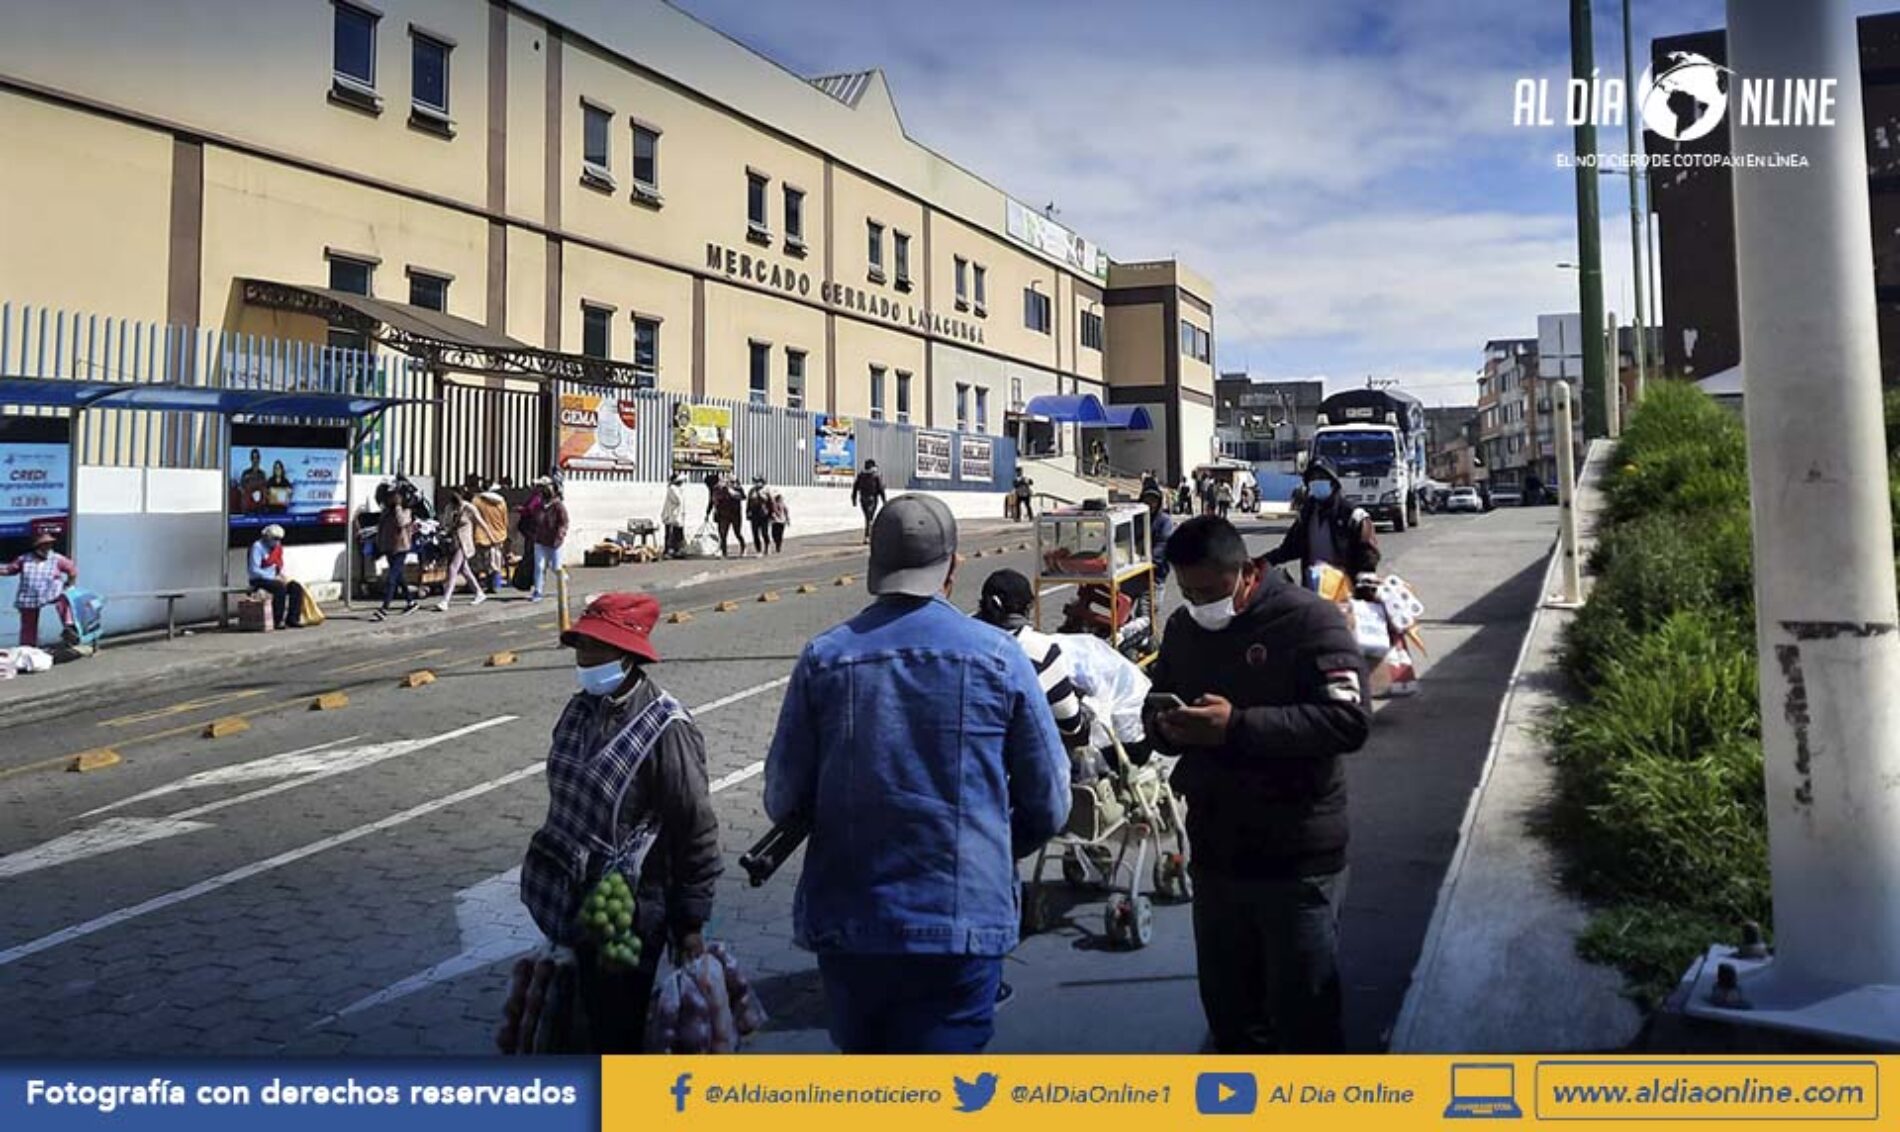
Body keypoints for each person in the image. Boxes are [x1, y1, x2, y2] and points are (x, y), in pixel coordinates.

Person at [764, 496, 1069, 1054]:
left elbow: (782, 798)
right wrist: (992, 848)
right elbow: (1050, 802)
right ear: (953, 568)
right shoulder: (1000, 657)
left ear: (873, 565)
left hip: (851, 923)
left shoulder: (825, 658)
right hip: (962, 923)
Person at [1144, 516, 1370, 1054]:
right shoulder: (1183, 628)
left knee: (1303, 1019)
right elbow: (1161, 698)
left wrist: (1238, 726)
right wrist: (1165, 728)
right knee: (1232, 1019)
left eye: (1209, 590)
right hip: (1218, 855)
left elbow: (1348, 722)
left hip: (1296, 858)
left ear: (1245, 572)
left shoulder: (1310, 621)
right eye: (1187, 590)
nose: (1199, 602)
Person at [520, 592, 721, 1052]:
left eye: (597, 648)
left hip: (628, 914)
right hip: (566, 900)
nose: (585, 657)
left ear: (627, 657)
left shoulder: (667, 729)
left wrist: (690, 919)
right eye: (581, 647)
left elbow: (695, 827)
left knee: (618, 1035)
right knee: (572, 1028)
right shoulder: (578, 710)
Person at [973, 569, 1091, 753]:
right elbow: (1070, 723)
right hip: (1014, 762)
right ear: (1027, 608)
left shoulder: (960, 641)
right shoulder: (1039, 649)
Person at [1264, 459, 1382, 581]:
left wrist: (1364, 577)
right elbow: (1289, 549)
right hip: (1313, 590)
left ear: (1333, 482)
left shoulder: (1353, 515)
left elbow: (1369, 552)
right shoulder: (1306, 515)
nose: (1317, 482)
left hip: (1344, 589)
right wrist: (1260, 563)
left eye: (1322, 477)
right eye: (1313, 479)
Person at [2, 532, 78, 648]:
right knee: (28, 625)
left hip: (52, 591)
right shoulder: (24, 559)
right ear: (37, 546)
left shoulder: (57, 559)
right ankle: (28, 648)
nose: (47, 547)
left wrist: (69, 584)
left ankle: (69, 627)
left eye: (49, 544)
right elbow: (9, 570)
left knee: (63, 599)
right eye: (44, 544)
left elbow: (72, 570)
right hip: (29, 595)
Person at [246, 523, 305, 630]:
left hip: (274, 577)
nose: (277, 542)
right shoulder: (257, 547)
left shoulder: (277, 548)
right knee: (279, 588)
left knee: (295, 587)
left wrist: (283, 576)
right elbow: (254, 570)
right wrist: (271, 577)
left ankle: (293, 618)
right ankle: (277, 620)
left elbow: (279, 565)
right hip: (259, 579)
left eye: (279, 539)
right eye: (275, 539)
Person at [372, 484, 417, 621]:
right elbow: (381, 529)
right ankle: (411, 602)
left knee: (391, 578)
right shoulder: (386, 511)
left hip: (401, 548)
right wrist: (379, 546)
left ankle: (384, 608)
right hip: (389, 547)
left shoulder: (405, 510)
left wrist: (398, 506)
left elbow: (401, 522)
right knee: (399, 577)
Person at [437, 487, 486, 611]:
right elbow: (445, 524)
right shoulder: (449, 508)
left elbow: (481, 522)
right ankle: (479, 592)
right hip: (453, 542)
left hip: (464, 543)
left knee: (453, 568)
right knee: (464, 569)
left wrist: (492, 537)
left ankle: (445, 600)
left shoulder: (468, 508)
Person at [527, 478, 569, 602]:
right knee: (539, 566)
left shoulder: (558, 506)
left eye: (547, 488)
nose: (544, 490)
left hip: (554, 542)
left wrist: (560, 534)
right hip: (540, 540)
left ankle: (563, 582)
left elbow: (564, 522)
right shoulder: (539, 505)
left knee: (556, 567)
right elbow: (533, 517)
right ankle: (537, 591)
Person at [473, 482, 511, 592]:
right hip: (499, 535)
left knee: (480, 562)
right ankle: (495, 585)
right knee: (496, 561)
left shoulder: (477, 501)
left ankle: (478, 586)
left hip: (481, 535)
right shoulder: (501, 502)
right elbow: (505, 520)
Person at [1141, 487, 1174, 584]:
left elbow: (1162, 544)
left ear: (1159, 503)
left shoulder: (1164, 521)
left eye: (1153, 500)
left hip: (1155, 574)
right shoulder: (1136, 519)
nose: (1150, 504)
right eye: (1146, 500)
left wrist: (1145, 561)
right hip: (1132, 574)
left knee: (1149, 598)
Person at [850, 460, 887, 544]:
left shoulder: (860, 476)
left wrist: (854, 499)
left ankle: (868, 536)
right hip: (872, 499)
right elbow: (880, 489)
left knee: (867, 518)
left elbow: (855, 488)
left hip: (863, 499)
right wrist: (884, 501)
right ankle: (868, 536)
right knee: (870, 518)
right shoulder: (875, 476)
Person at [710, 476, 744, 558]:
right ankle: (724, 552)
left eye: (732, 482)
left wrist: (732, 492)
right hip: (724, 515)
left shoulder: (738, 489)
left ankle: (743, 547)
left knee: (737, 533)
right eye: (729, 481)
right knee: (723, 534)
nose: (730, 483)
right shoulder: (720, 490)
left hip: (735, 515)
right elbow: (715, 500)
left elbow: (742, 497)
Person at [660, 473, 687, 559]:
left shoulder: (677, 489)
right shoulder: (672, 489)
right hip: (671, 516)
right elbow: (677, 500)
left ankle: (677, 551)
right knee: (670, 534)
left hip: (677, 516)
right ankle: (668, 551)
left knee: (677, 534)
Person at [746, 475, 773, 556]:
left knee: (764, 532)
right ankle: (759, 550)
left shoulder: (766, 490)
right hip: (754, 514)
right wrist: (747, 512)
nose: (756, 483)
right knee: (755, 533)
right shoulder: (751, 491)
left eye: (758, 481)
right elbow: (749, 502)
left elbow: (770, 502)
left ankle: (767, 545)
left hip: (764, 514)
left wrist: (771, 513)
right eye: (755, 482)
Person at [768, 488, 790, 553]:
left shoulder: (783, 504)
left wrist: (788, 519)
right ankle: (776, 542)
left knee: (780, 534)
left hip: (781, 521)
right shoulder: (773, 505)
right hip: (775, 521)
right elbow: (771, 512)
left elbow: (786, 512)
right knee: (773, 534)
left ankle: (778, 546)